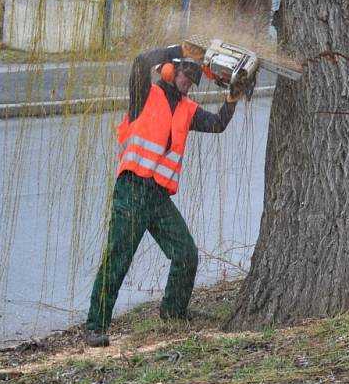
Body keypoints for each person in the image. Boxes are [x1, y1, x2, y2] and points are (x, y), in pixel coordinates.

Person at [85, 44, 242, 347]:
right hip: (132, 190)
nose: (188, 83)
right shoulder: (145, 95)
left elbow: (218, 124)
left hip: (158, 196)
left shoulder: (187, 108)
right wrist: (178, 48)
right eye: (185, 74)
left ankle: (173, 313)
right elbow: (141, 59)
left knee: (186, 254)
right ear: (171, 70)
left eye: (193, 80)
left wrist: (231, 99)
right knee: (118, 258)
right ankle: (95, 325)